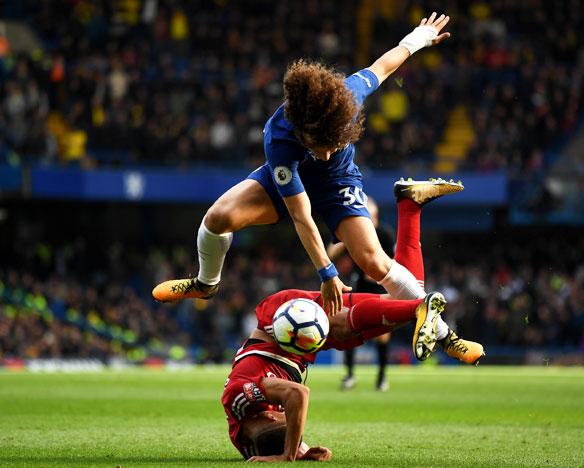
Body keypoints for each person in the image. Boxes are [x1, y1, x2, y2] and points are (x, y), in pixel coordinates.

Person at [152, 13, 456, 318]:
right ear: (302, 133)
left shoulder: (348, 96)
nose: (324, 155)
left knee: (374, 262)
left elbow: (383, 67)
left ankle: (441, 331)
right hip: (291, 179)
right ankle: (206, 284)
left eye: (333, 146)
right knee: (217, 218)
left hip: (337, 183)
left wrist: (418, 38)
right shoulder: (280, 140)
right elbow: (301, 216)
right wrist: (326, 272)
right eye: (318, 148)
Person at [220, 179, 485, 462]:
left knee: (353, 320)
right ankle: (410, 206)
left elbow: (298, 395)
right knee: (401, 299)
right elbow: (276, 432)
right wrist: (303, 451)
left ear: (267, 422)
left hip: (282, 323)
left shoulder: (241, 397)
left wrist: (288, 455)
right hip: (301, 347)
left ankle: (435, 326)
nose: (278, 413)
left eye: (276, 418)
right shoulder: (251, 440)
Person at [326, 197, 394, 391]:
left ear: (376, 216)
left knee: (382, 335)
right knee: (349, 329)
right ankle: (349, 375)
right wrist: (345, 238)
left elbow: (394, 261)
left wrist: (379, 275)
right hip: (359, 288)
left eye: (368, 215)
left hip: (381, 288)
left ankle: (381, 378)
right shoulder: (355, 231)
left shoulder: (385, 234)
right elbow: (330, 253)